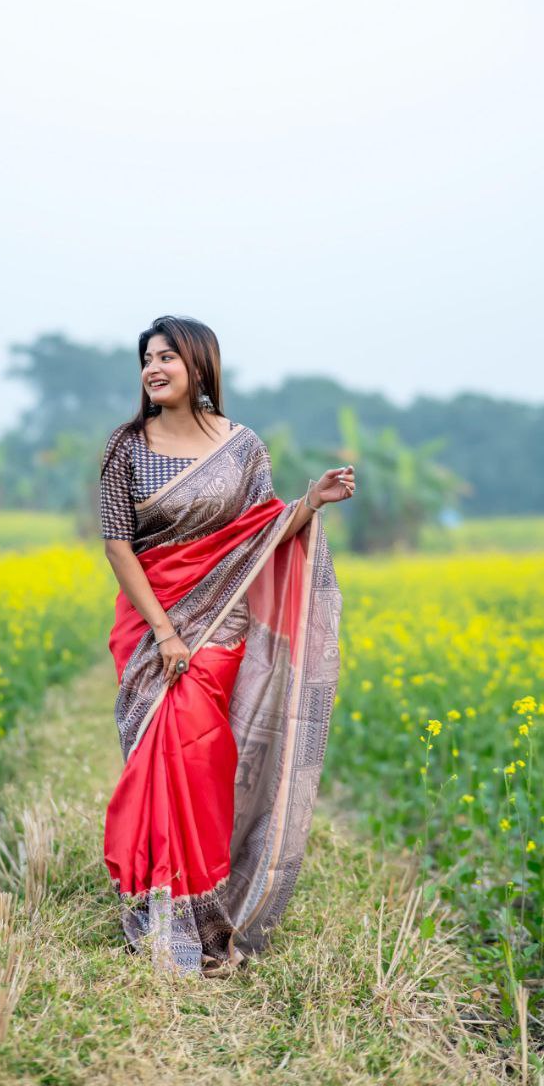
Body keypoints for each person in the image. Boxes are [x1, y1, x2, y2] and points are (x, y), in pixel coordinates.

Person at [99, 314, 353, 978]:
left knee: (201, 761)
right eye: (146, 359)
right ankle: (159, 911)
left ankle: (203, 913)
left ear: (200, 366)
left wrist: (312, 501)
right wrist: (163, 631)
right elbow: (118, 546)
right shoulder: (125, 447)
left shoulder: (242, 448)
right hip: (154, 626)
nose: (153, 369)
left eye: (167, 358)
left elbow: (261, 532)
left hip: (218, 629)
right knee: (154, 759)